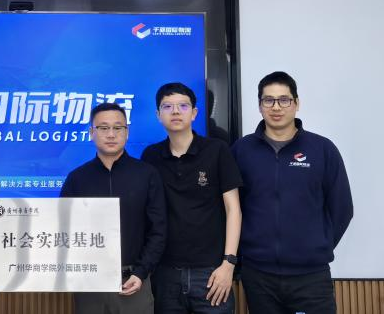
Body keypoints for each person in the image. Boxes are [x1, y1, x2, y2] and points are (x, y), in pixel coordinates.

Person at [231, 71, 353, 314]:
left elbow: (342, 209)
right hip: (259, 275)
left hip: (311, 276)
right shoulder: (241, 150)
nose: (276, 107)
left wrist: (316, 246)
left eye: (284, 100)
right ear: (260, 105)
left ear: (296, 103)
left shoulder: (322, 149)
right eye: (268, 100)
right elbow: (233, 208)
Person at [142, 83, 242, 313]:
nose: (176, 111)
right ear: (158, 115)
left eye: (183, 106)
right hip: (166, 273)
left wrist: (228, 264)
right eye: (167, 106)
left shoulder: (217, 150)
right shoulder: (151, 156)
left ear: (194, 113)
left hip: (212, 272)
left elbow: (233, 209)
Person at [60, 102, 167, 314]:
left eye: (118, 128)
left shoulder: (146, 174)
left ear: (127, 132)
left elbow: (159, 230)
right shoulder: (77, 178)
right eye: (103, 128)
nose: (111, 134)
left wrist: (141, 272)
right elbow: (63, 229)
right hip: (89, 282)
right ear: (91, 133)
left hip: (133, 281)